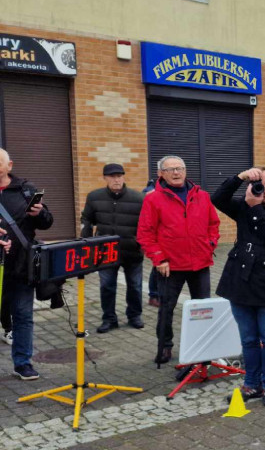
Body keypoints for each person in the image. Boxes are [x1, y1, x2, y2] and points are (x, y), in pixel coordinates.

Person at [212, 167, 265, 407]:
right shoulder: (242, 206)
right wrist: (239, 178)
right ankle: (251, 384)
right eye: (259, 186)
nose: (264, 191)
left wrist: (256, 208)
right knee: (248, 339)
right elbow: (217, 199)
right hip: (240, 280)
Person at [137, 156, 220, 365]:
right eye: (171, 169)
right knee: (166, 309)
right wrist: (159, 259)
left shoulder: (202, 196)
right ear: (160, 173)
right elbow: (145, 234)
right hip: (169, 266)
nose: (176, 173)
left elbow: (213, 223)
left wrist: (210, 244)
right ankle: (165, 346)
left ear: (185, 170)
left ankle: (203, 347)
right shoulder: (153, 199)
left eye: (180, 168)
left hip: (200, 263)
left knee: (203, 310)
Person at [0, 149, 54, 380]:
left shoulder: (25, 189)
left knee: (23, 316)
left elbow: (47, 223)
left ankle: (22, 363)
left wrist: (39, 213)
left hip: (21, 267)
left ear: (9, 165)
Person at [80, 163, 146, 333]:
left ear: (124, 177)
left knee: (135, 286)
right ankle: (109, 319)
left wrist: (142, 244)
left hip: (132, 251)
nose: (116, 179)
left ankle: (134, 316)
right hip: (105, 252)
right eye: (112, 176)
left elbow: (146, 225)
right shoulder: (94, 197)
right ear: (105, 178)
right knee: (107, 286)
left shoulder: (139, 198)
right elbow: (86, 220)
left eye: (119, 176)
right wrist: (86, 245)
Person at [143, 178, 161, 307]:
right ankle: (153, 295)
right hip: (156, 240)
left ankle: (156, 295)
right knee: (157, 269)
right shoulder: (150, 193)